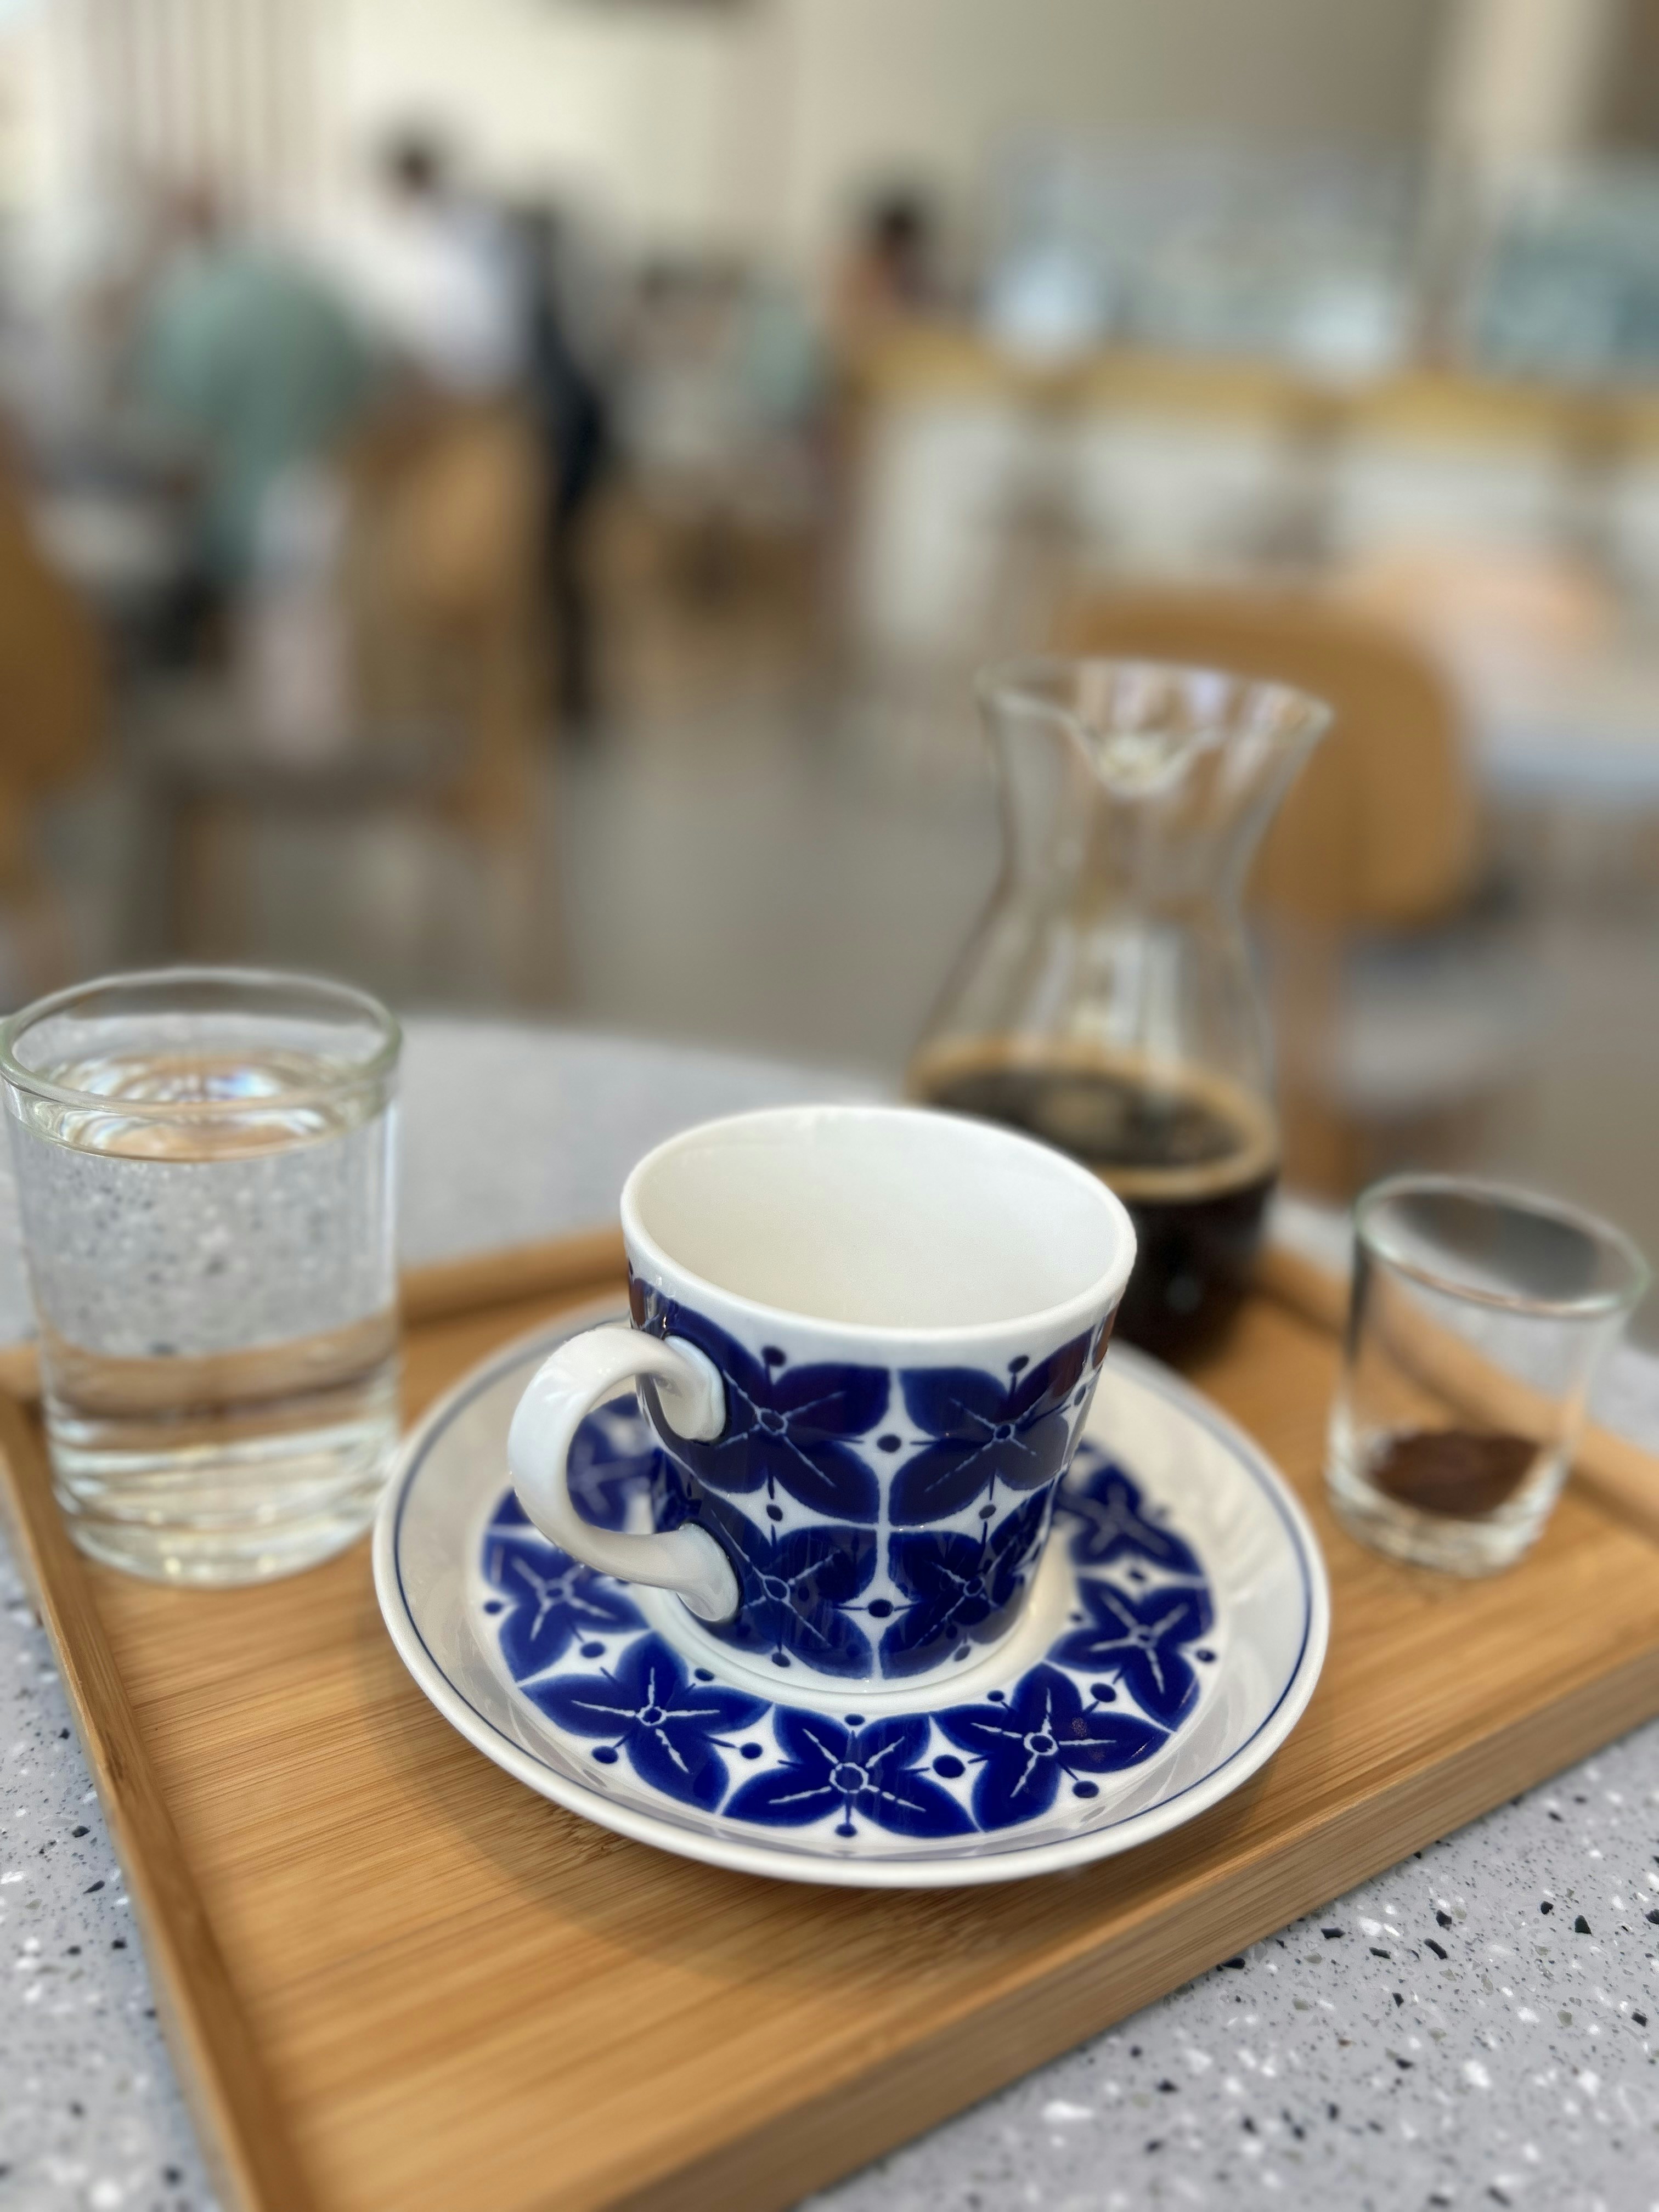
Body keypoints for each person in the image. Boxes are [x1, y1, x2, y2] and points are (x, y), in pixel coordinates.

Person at [128, 183, 374, 644]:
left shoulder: (196, 308)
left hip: (245, 518)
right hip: (340, 507)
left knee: (265, 647)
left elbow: (176, 440)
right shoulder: (320, 298)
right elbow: (370, 394)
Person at [352, 132, 526, 399]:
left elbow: (460, 318)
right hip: (476, 368)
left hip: (477, 376)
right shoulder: (460, 221)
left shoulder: (450, 232)